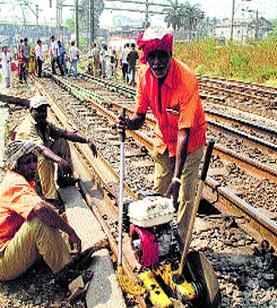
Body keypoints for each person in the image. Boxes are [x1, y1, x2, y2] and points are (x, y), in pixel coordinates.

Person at [119, 27, 207, 224]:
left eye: (162, 56)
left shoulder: (187, 80)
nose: (157, 62)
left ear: (170, 54)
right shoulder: (143, 75)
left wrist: (177, 179)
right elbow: (139, 116)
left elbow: (184, 132)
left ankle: (181, 246)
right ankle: (159, 239)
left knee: (184, 196)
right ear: (146, 58)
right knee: (158, 192)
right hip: (164, 140)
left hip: (190, 143)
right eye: (152, 57)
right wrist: (128, 123)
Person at [0, 140, 106, 285]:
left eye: (34, 161)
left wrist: (61, 223)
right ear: (16, 165)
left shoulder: (20, 179)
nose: (33, 166)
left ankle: (69, 257)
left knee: (55, 216)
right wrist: (70, 231)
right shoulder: (14, 183)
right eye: (27, 162)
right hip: (3, 262)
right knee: (41, 218)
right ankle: (65, 274)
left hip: (12, 246)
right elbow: (40, 209)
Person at [15, 95, 98, 203]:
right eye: (39, 110)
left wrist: (87, 140)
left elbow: (64, 133)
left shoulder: (44, 123)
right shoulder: (28, 127)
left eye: (44, 110)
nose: (42, 113)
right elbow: (41, 149)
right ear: (31, 110)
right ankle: (50, 197)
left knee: (61, 142)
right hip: (25, 164)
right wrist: (59, 160)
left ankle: (62, 178)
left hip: (36, 155)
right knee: (44, 158)